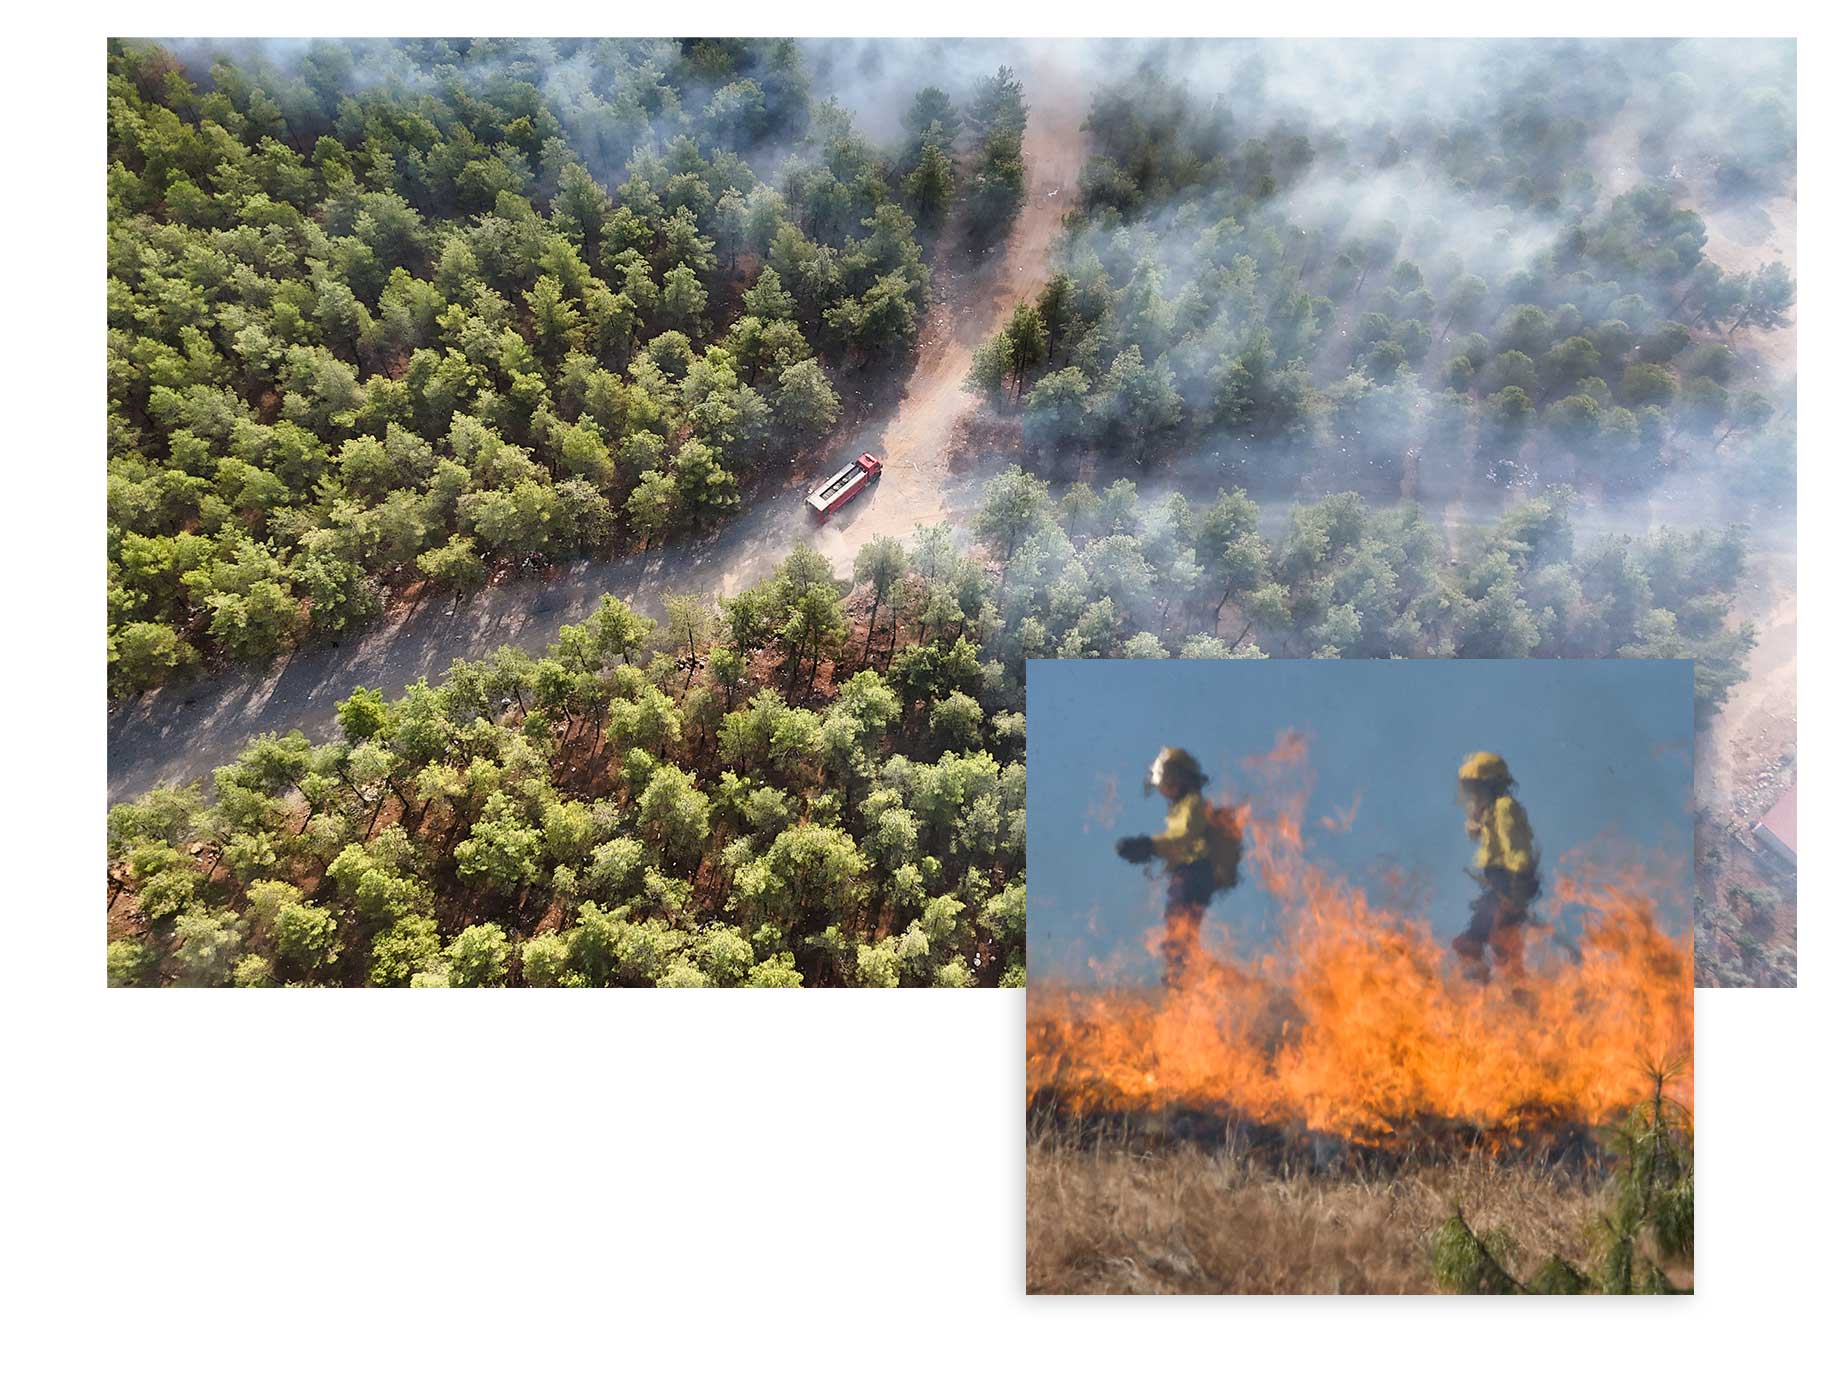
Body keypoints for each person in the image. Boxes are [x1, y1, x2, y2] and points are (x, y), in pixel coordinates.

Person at [1115, 747, 1243, 988]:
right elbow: (1178, 838)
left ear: (1178, 778)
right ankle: (1181, 973)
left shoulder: (1194, 804)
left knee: (1180, 931)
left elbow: (1184, 838)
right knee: (1178, 931)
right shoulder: (1181, 806)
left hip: (1194, 874)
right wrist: (1151, 849)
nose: (1163, 789)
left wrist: (1150, 846)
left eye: (1166, 781)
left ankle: (1187, 976)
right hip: (1186, 874)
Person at [1452, 751, 1540, 981]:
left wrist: (1515, 893)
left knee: (1495, 941)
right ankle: (1488, 983)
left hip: (1510, 883)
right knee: (1481, 938)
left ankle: (1509, 990)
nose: (1472, 794)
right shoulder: (1490, 812)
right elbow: (1478, 833)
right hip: (1499, 885)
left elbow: (1518, 851)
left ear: (1490, 786)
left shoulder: (1504, 808)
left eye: (1476, 788)